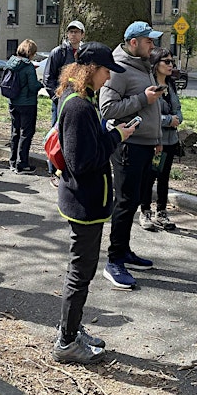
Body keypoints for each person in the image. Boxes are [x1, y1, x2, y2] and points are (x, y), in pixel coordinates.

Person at [53, 42, 136, 364]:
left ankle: (71, 329)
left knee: (81, 271)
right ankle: (66, 341)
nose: (107, 79)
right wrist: (117, 138)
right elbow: (81, 162)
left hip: (86, 200)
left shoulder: (81, 101)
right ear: (91, 69)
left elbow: (83, 149)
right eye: (106, 72)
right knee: (80, 273)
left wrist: (111, 133)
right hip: (85, 203)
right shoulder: (79, 107)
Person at [98, 21, 166, 290]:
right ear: (134, 42)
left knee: (135, 199)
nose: (153, 46)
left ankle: (124, 251)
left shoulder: (143, 65)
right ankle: (113, 261)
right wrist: (142, 100)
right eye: (149, 41)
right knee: (125, 202)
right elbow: (107, 109)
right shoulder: (120, 68)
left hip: (145, 144)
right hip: (128, 145)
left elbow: (151, 108)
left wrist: (157, 139)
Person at [138, 47, 182, 231]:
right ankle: (145, 210)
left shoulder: (171, 85)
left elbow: (178, 108)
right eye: (167, 62)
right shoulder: (150, 85)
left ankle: (161, 211)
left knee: (164, 177)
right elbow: (149, 113)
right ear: (156, 64)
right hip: (156, 140)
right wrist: (167, 120)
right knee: (151, 175)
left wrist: (177, 118)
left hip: (171, 140)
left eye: (172, 61)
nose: (171, 65)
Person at [43, 21, 85, 183]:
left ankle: (70, 168)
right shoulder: (58, 53)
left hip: (79, 102)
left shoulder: (84, 52)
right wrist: (58, 98)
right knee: (57, 134)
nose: (73, 35)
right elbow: (48, 78)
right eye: (70, 32)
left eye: (76, 32)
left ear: (82, 34)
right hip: (61, 102)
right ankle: (53, 169)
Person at [7, 39, 41, 174]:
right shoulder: (28, 67)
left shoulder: (11, 63)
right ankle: (22, 164)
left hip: (13, 101)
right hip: (27, 103)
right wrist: (40, 84)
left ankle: (12, 161)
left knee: (15, 132)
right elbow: (33, 87)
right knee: (26, 133)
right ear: (30, 52)